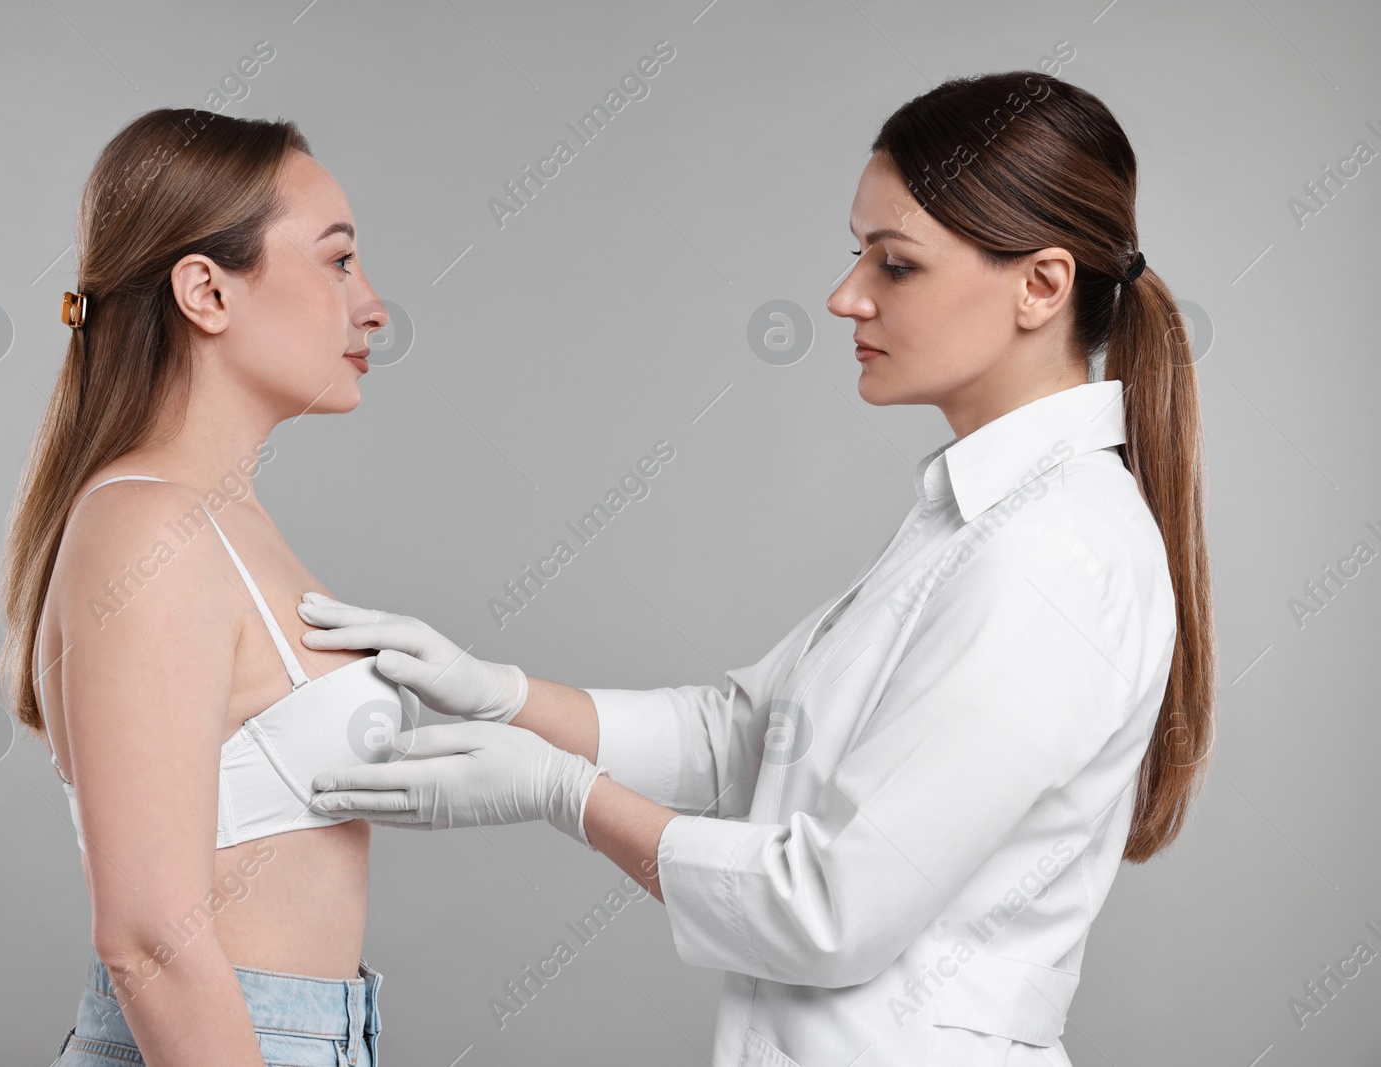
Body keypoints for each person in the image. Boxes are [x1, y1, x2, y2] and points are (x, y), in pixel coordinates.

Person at [288, 71, 1216, 1066]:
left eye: (893, 264)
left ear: (1040, 284)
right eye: (856, 253)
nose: (844, 294)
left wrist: (563, 793)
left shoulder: (1052, 556)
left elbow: (828, 908)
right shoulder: (969, 524)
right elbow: (745, 731)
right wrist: (500, 691)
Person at [0, 108, 395, 1065]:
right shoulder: (151, 527)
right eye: (338, 260)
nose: (373, 305)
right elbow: (147, 937)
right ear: (206, 291)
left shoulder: (218, 519)